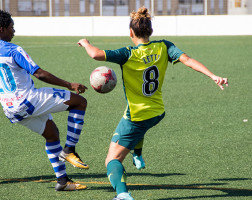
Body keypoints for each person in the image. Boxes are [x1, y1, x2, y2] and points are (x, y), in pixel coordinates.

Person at [78, 7, 228, 200]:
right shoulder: (164, 46)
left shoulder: (128, 53)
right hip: (157, 112)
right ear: (151, 32)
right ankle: (137, 155)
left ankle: (123, 195)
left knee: (112, 159)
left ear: (130, 32)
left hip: (137, 116)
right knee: (138, 124)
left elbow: (95, 54)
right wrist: (213, 76)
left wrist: (85, 42)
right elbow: (188, 60)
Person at [0, 9, 89, 191]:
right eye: (11, 27)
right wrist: (69, 84)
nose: (13, 31)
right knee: (79, 102)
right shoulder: (13, 50)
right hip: (29, 100)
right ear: (2, 29)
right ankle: (70, 149)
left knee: (51, 134)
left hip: (11, 110)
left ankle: (62, 181)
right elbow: (40, 74)